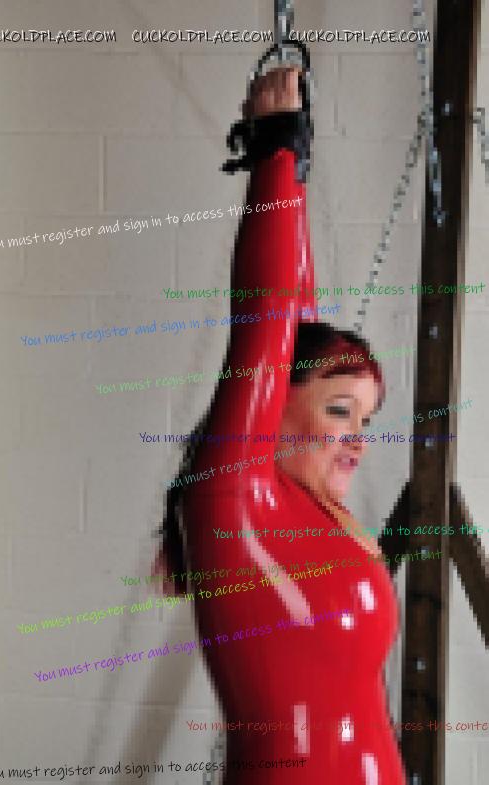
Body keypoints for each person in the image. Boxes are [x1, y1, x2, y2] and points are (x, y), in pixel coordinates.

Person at [155, 67, 406, 784]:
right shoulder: (236, 505)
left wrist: (292, 171)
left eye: (364, 418)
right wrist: (273, 150)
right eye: (339, 411)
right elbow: (267, 322)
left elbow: (296, 317)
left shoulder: (311, 511)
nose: (356, 438)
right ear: (270, 403)